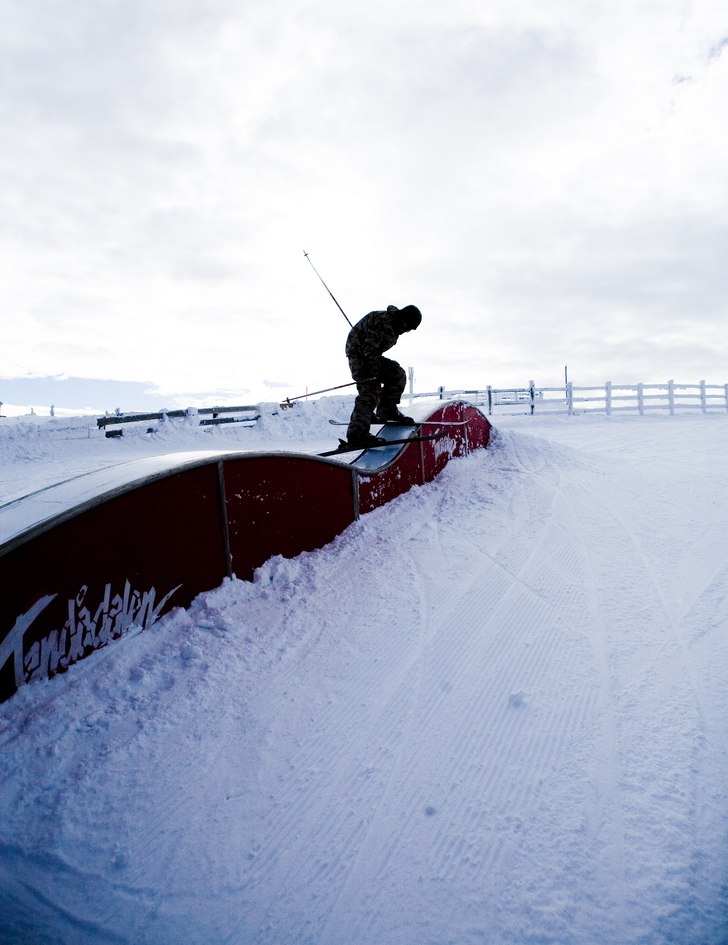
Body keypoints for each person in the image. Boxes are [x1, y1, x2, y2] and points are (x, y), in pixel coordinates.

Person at [344, 304, 422, 447]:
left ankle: (387, 410)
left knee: (397, 374)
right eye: (408, 327)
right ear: (404, 319)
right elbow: (369, 350)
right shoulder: (383, 323)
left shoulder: (393, 324)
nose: (407, 331)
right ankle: (357, 434)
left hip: (370, 355)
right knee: (370, 391)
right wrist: (372, 375)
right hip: (360, 357)